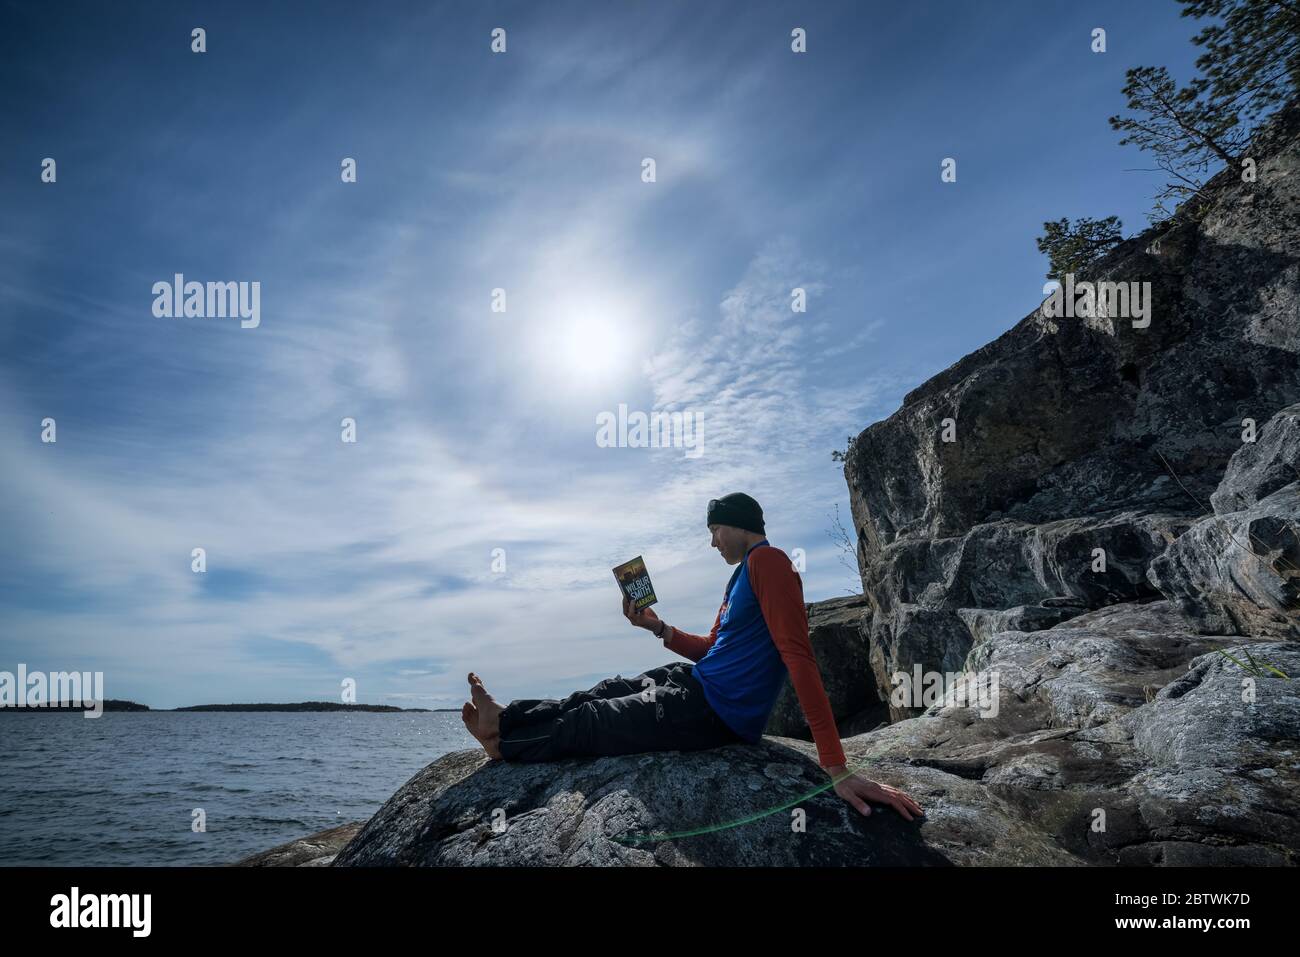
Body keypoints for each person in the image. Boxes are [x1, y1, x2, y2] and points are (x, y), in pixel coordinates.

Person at [461, 492, 924, 820]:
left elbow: (799, 658)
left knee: (597, 720)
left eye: (715, 530)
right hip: (696, 682)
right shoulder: (740, 576)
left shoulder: (771, 563)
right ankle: (506, 718)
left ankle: (504, 745)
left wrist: (835, 767)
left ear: (740, 525)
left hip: (714, 713)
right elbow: (711, 648)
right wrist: (657, 627)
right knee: (603, 691)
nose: (712, 541)